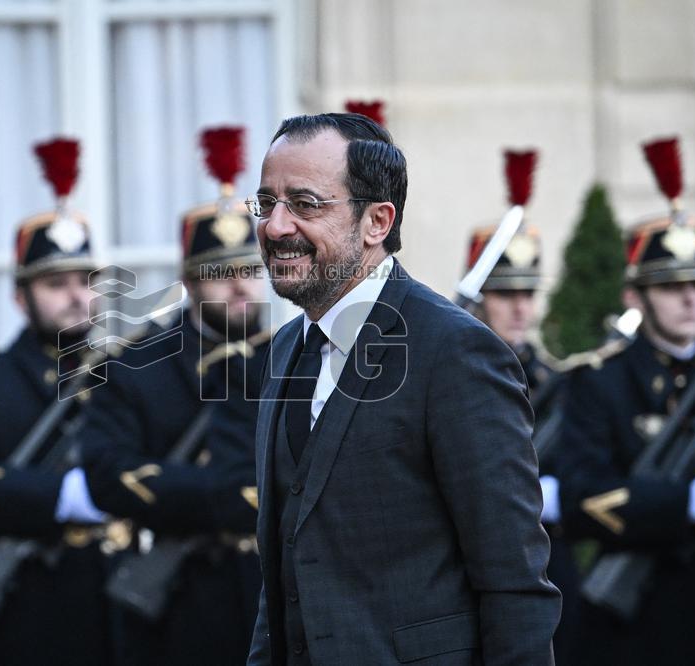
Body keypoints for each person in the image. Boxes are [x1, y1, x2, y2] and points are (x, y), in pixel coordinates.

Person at [246, 112, 560, 665]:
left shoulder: (456, 353)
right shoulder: (282, 351)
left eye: (304, 203)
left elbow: (514, 583)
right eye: (266, 203)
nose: (275, 227)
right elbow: (285, 576)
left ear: (377, 221)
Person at [79, 126, 268, 665]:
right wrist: (227, 497)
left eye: (250, 271)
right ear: (189, 279)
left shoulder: (292, 357)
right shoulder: (137, 363)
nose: (239, 286)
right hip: (185, 599)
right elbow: (108, 472)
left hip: (270, 592)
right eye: (221, 273)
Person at [0, 137, 112, 665]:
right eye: (56, 283)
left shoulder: (120, 376)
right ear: (19, 297)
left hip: (110, 597)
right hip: (21, 607)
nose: (77, 295)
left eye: (86, 281)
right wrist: (63, 495)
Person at [557, 136, 695, 665]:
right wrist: (690, 504)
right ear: (635, 296)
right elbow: (585, 496)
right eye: (669, 285)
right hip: (639, 620)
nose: (688, 298)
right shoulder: (600, 382)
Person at [464, 149, 579, 664]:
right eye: (505, 293)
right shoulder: (456, 378)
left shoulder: (557, 379)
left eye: (529, 293)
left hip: (549, 564)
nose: (520, 308)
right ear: (480, 299)